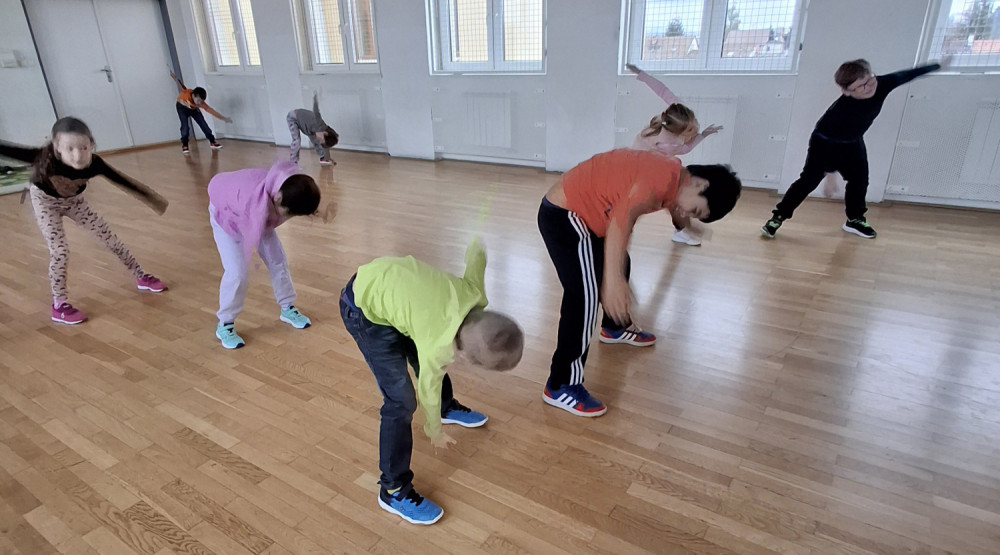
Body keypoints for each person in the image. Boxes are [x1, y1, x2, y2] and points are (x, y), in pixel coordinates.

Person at [538, 148, 741, 416]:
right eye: (695, 210)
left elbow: (674, 206)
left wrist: (688, 226)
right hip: (566, 216)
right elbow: (620, 224)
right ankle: (561, 384)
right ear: (700, 184)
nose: (687, 212)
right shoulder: (658, 182)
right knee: (585, 297)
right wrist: (612, 283)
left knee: (622, 263)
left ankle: (614, 327)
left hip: (587, 214)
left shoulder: (674, 176)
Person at [339, 238, 523, 524]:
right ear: (466, 357)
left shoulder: (474, 293)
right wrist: (433, 430)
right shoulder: (437, 346)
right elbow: (428, 387)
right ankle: (393, 489)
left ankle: (446, 407)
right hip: (364, 311)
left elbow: (476, 259)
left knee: (424, 353)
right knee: (401, 401)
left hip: (389, 284)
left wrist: (478, 242)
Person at [1, 117, 169, 324]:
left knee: (111, 240)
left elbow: (122, 181)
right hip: (45, 203)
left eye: (83, 148)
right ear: (57, 147)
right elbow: (8, 149)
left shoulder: (94, 164)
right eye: (69, 148)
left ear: (91, 144)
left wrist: (152, 198)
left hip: (74, 202)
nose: (78, 155)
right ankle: (59, 305)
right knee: (60, 251)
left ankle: (141, 276)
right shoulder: (43, 157)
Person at [761, 57, 950, 239]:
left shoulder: (880, 83)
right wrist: (830, 177)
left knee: (860, 180)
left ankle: (854, 219)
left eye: (869, 80)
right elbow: (830, 150)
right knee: (808, 181)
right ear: (846, 91)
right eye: (860, 86)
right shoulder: (839, 114)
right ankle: (777, 218)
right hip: (824, 142)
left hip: (853, 141)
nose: (868, 87)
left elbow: (906, 74)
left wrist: (937, 65)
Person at [207, 160, 321, 348]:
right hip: (227, 218)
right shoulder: (250, 202)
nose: (288, 217)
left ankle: (287, 307)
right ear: (278, 198)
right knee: (237, 273)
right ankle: (225, 324)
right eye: (289, 213)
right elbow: (250, 232)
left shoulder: (286, 189)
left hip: (260, 214)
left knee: (278, 260)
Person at [626, 63, 723, 246]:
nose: (695, 130)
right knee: (654, 199)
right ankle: (622, 229)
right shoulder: (668, 142)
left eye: (694, 125)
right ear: (677, 132)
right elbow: (686, 149)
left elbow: (662, 90)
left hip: (652, 161)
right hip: (642, 165)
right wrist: (702, 136)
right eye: (690, 130)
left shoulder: (677, 112)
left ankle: (681, 230)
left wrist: (641, 73)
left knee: (672, 197)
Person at [169, 71, 232, 155]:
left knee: (203, 124)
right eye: (198, 100)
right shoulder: (185, 94)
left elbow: (211, 110)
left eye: (201, 101)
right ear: (193, 96)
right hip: (182, 108)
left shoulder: (200, 103)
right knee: (185, 127)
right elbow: (180, 86)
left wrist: (223, 118)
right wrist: (175, 78)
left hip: (193, 109)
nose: (200, 103)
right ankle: (185, 145)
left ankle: (212, 142)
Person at [287, 91, 339, 165]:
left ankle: (323, 158)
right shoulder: (319, 123)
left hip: (307, 126)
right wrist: (315, 99)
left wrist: (328, 158)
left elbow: (325, 146)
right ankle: (293, 162)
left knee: (316, 141)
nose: (320, 140)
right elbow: (316, 111)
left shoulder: (322, 135)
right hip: (293, 117)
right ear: (324, 133)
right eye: (322, 139)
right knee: (297, 141)